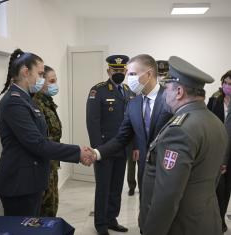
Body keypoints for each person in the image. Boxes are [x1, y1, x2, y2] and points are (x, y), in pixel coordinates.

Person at [0, 49, 94, 216]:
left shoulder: (26, 98)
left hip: (31, 179)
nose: (42, 79)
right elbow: (37, 143)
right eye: (40, 74)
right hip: (20, 183)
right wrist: (77, 152)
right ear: (26, 72)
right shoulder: (15, 102)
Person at [140, 56, 228, 235]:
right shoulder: (215, 122)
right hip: (206, 218)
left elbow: (167, 195)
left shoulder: (180, 130)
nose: (164, 94)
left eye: (166, 89)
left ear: (179, 92)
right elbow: (213, 177)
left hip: (181, 225)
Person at [93, 54, 172, 197]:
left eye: (133, 74)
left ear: (148, 74)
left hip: (168, 170)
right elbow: (122, 137)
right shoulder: (133, 103)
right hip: (144, 171)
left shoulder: (170, 99)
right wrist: (97, 153)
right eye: (129, 74)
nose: (129, 78)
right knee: (144, 212)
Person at [86, 55, 134, 235]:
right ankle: (100, 224)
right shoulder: (98, 91)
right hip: (104, 148)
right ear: (108, 71)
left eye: (122, 70)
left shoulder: (128, 91)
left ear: (126, 71)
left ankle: (112, 219)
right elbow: (92, 122)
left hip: (123, 149)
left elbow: (133, 122)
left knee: (116, 187)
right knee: (103, 188)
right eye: (115, 70)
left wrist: (134, 147)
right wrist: (98, 149)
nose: (119, 73)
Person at [32, 65, 61, 217]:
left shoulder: (47, 101)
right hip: (43, 164)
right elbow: (40, 138)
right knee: (44, 209)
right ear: (41, 81)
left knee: (52, 205)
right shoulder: (35, 103)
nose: (55, 83)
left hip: (52, 162)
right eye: (52, 80)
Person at [207, 70, 231, 233]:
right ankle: (218, 219)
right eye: (225, 83)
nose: (227, 86)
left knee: (227, 187)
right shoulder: (215, 100)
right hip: (217, 151)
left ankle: (221, 217)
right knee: (218, 189)